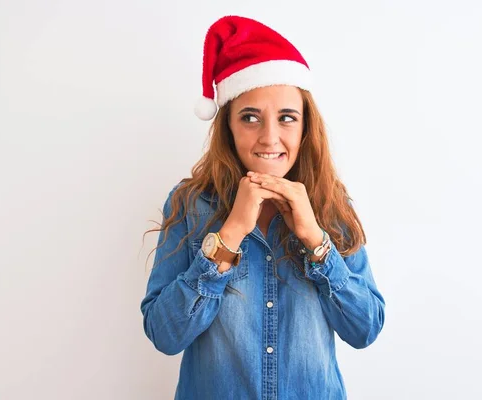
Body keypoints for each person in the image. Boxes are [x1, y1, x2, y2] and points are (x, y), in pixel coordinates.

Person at [140, 15, 385, 400]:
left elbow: (365, 329)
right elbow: (164, 335)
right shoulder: (190, 205)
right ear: (229, 127)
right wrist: (228, 236)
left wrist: (317, 242)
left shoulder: (331, 206)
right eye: (250, 117)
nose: (270, 137)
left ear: (305, 129)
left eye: (287, 118)